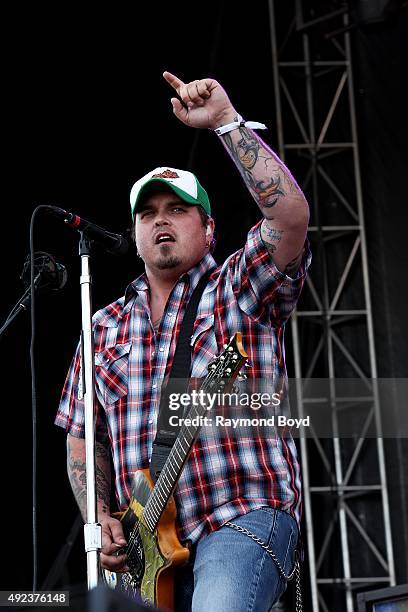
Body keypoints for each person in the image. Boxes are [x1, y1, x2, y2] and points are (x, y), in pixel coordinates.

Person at [55, 71, 311, 611]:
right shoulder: (101, 328)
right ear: (135, 233)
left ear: (209, 228)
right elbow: (82, 436)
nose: (161, 221)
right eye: (148, 213)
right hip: (149, 553)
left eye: (177, 209)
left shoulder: (239, 288)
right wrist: (98, 515)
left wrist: (224, 122)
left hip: (240, 515)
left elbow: (289, 219)